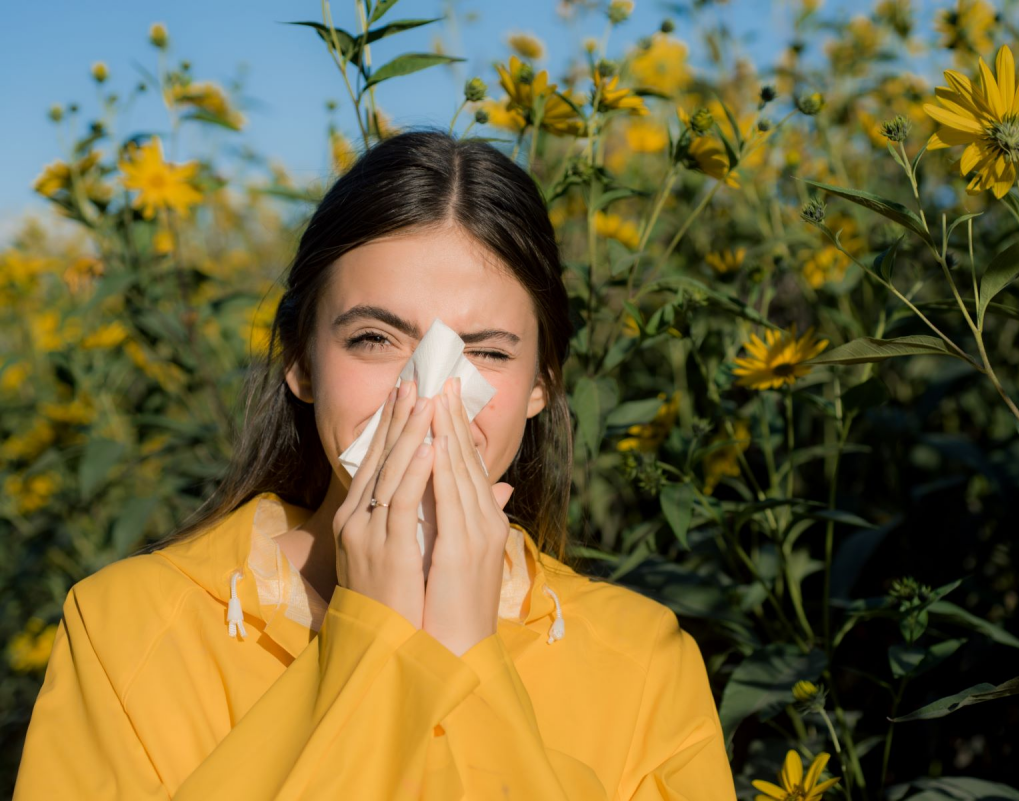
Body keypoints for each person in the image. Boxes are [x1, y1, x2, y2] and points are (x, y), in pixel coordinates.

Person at [12, 129, 737, 799]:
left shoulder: (646, 663)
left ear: (541, 385)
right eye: (374, 339)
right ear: (300, 361)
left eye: (485, 352)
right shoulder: (124, 629)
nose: (430, 391)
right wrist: (373, 641)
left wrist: (464, 651)